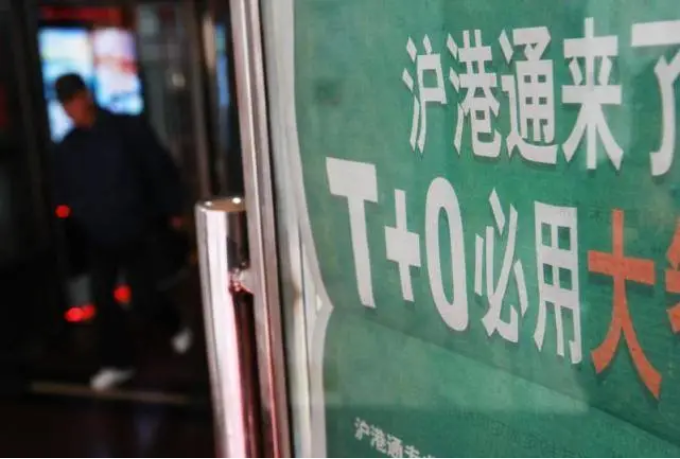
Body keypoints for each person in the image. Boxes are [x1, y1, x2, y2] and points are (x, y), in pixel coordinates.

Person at [52, 73, 192, 391]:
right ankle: (118, 363)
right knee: (102, 299)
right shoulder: (68, 148)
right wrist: (80, 216)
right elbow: (64, 191)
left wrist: (172, 210)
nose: (71, 108)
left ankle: (174, 325)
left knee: (145, 295)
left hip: (137, 227)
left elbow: (158, 167)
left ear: (86, 96)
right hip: (99, 235)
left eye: (73, 99)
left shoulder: (127, 129)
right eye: (65, 103)